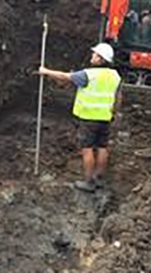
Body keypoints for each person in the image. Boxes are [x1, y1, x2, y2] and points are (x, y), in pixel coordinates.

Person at [39, 43, 122, 192]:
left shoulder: (89, 75)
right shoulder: (115, 76)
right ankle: (99, 178)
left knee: (87, 149)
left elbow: (65, 76)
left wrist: (45, 71)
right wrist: (114, 113)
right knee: (102, 147)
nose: (92, 56)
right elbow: (118, 97)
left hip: (89, 118)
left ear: (101, 59)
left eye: (95, 55)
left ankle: (89, 182)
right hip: (105, 118)